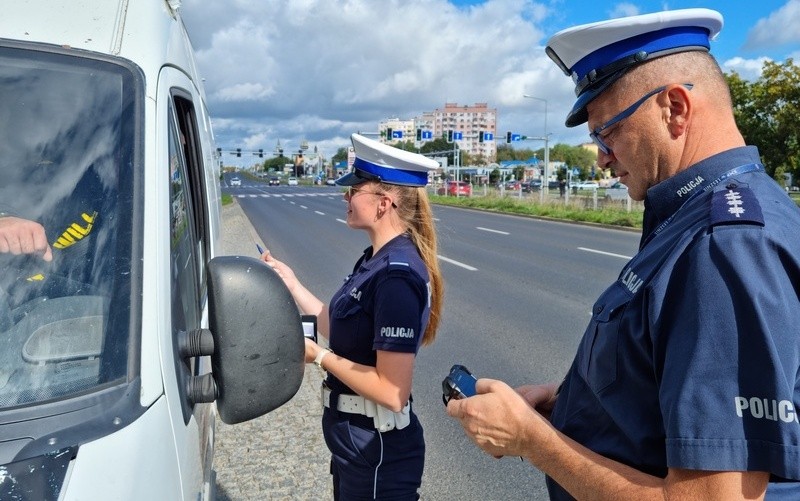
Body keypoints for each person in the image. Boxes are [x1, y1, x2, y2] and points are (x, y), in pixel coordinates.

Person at [446, 8, 800, 499]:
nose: (600, 156)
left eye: (606, 132)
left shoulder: (725, 246)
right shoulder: (696, 217)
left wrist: (532, 441)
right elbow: (663, 382)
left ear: (674, 108)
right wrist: (567, 403)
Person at [260, 133, 444, 500]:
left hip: (377, 452)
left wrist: (320, 357)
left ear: (383, 203)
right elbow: (341, 326)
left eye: (354, 190)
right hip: (355, 445)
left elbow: (392, 392)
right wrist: (291, 283)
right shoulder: (375, 259)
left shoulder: (396, 276)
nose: (345, 197)